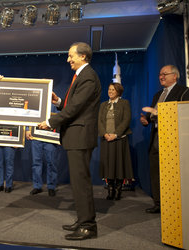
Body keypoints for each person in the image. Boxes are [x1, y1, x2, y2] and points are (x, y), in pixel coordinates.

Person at [39, 42, 101, 240]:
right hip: (76, 137)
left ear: (83, 56)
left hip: (80, 137)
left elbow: (75, 108)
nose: (68, 60)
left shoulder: (88, 76)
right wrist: (58, 102)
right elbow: (70, 104)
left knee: (81, 183)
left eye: (70, 56)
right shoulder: (81, 76)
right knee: (77, 182)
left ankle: (88, 226)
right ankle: (83, 219)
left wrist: (50, 121)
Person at [140, 64, 189, 214]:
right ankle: (158, 203)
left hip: (173, 140)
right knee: (155, 171)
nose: (161, 77)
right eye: (160, 75)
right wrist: (147, 120)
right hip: (156, 138)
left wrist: (157, 114)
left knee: (172, 174)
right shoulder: (158, 95)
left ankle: (174, 204)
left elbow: (186, 114)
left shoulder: (183, 92)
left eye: (165, 74)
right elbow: (153, 116)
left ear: (174, 76)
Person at [98, 82, 133, 200]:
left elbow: (126, 120)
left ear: (118, 91)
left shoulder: (124, 103)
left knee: (118, 165)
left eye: (113, 90)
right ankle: (110, 189)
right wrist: (105, 134)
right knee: (108, 165)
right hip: (106, 139)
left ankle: (118, 190)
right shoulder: (103, 105)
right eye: (109, 89)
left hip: (119, 139)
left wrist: (116, 134)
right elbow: (99, 122)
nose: (110, 91)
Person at [26, 128, 58, 197]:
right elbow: (31, 116)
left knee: (51, 162)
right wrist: (28, 129)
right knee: (36, 162)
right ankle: (37, 186)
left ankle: (51, 187)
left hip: (51, 135)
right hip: (36, 135)